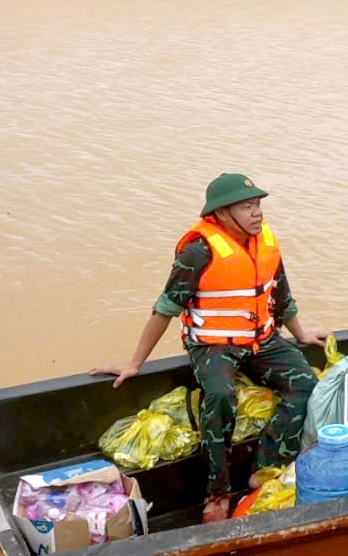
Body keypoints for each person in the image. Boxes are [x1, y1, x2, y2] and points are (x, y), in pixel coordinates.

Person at [91, 173, 331, 523]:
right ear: (220, 214)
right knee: (219, 396)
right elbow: (165, 309)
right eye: (247, 207)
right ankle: (218, 492)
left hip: (260, 339)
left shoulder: (264, 240)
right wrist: (135, 362)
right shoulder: (198, 251)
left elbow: (281, 295)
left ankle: (265, 467)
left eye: (258, 205)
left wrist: (301, 333)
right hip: (213, 344)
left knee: (306, 385)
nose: (257, 213)